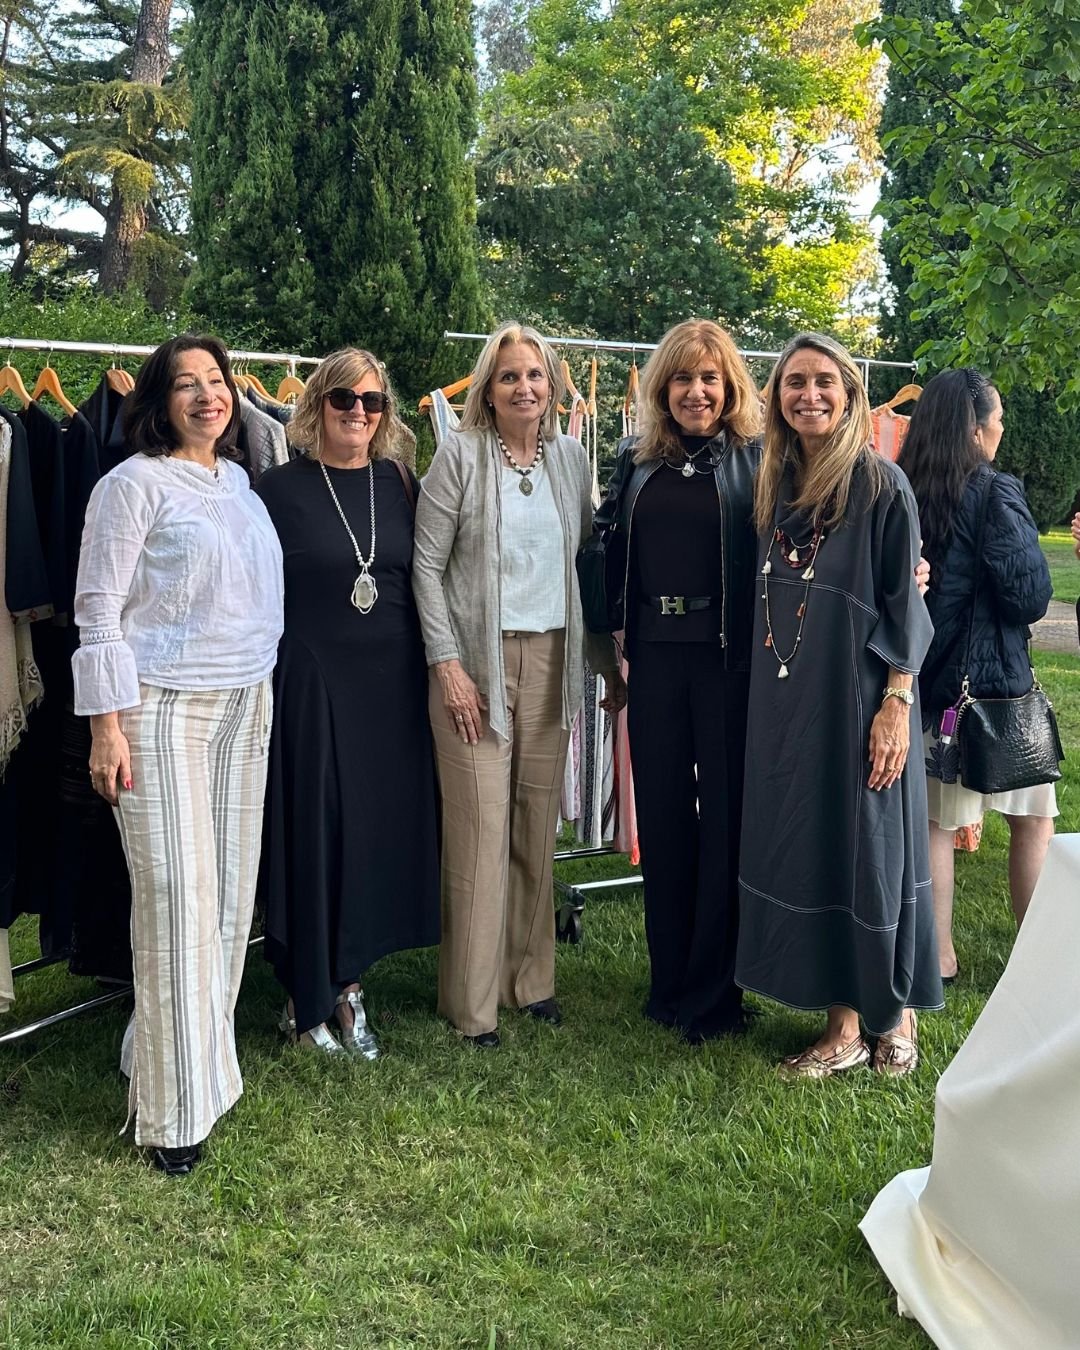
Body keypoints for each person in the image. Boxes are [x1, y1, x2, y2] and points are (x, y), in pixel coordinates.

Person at [72, 335, 284, 1173]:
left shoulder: (240, 483)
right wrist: (106, 728)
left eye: (217, 381)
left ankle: (178, 1060)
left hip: (246, 703)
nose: (208, 396)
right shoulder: (130, 485)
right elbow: (98, 610)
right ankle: (171, 1118)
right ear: (158, 402)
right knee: (175, 904)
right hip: (159, 711)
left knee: (228, 904)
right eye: (186, 384)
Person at [736, 332, 942, 1078]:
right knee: (818, 844)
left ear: (851, 394)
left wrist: (896, 703)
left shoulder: (881, 485)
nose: (809, 395)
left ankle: (889, 1015)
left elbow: (906, 604)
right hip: (791, 703)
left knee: (869, 850)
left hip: (863, 699)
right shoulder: (775, 484)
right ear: (777, 398)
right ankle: (852, 1022)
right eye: (795, 382)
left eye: (825, 381)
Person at [412, 321, 622, 1048]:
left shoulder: (569, 457)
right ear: (488, 389)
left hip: (554, 663)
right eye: (509, 376)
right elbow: (425, 567)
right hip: (476, 666)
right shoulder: (459, 455)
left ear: (553, 386)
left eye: (535, 375)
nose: (524, 387)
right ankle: (471, 1005)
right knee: (479, 831)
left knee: (536, 824)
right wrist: (448, 666)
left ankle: (529, 981)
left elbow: (585, 567)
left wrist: (604, 663)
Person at [255, 349, 440, 1056]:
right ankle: (306, 995)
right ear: (316, 404)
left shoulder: (399, 483)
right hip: (312, 682)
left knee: (368, 837)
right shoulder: (276, 489)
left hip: (390, 687)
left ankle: (350, 985)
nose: (357, 412)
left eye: (372, 401)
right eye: (343, 399)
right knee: (315, 831)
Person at [589, 319, 762, 1042]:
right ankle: (668, 985)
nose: (697, 392)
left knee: (723, 823)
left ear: (730, 387)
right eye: (684, 378)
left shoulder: (758, 460)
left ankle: (716, 994)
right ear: (662, 388)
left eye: (710, 378)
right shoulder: (635, 460)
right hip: (654, 660)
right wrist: (608, 648)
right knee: (662, 822)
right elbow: (603, 548)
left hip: (728, 662)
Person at [899, 369, 1054, 980]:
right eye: (999, 419)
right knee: (1032, 818)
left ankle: (937, 957)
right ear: (975, 428)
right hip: (994, 689)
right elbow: (1029, 597)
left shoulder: (903, 485)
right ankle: (1035, 959)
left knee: (936, 822)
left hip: (928, 680)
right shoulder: (994, 490)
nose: (1002, 429)